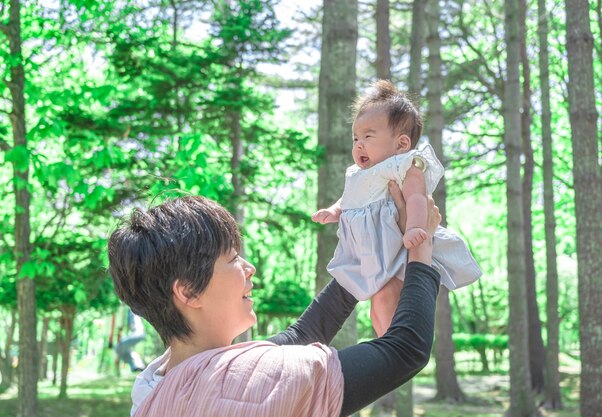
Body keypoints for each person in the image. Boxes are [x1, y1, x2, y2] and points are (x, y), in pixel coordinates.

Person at [108, 193, 441, 417]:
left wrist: (363, 261)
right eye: (233, 258)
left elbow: (301, 335)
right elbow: (405, 351)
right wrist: (422, 249)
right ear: (189, 293)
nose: (249, 267)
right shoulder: (245, 380)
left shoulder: (154, 387)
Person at [312, 80, 482, 336]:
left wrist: (413, 227)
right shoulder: (357, 173)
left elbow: (417, 198)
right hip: (370, 253)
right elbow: (350, 198)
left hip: (395, 246)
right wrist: (335, 211)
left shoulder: (404, 164)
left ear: (401, 144)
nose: (358, 144)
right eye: (355, 138)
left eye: (368, 136)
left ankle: (396, 344)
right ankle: (386, 346)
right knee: (377, 306)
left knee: (388, 297)